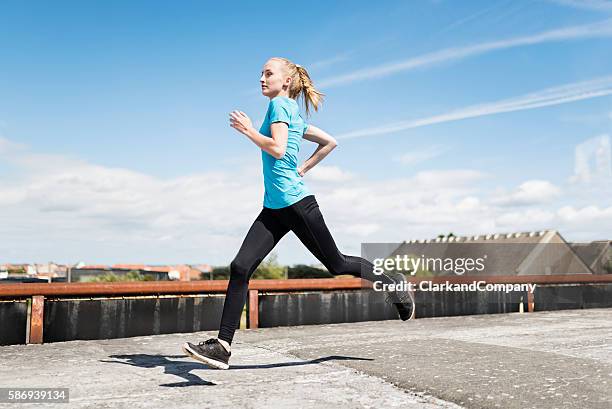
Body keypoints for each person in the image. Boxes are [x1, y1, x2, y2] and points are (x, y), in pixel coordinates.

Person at [182, 57, 414, 370]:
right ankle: (222, 346)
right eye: (261, 74)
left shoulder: (281, 106)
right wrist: (302, 166)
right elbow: (330, 142)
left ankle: (392, 283)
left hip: (296, 204)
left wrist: (249, 131)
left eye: (268, 73)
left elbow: (278, 149)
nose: (262, 79)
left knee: (336, 263)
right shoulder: (290, 111)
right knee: (240, 267)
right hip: (275, 208)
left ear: (286, 81)